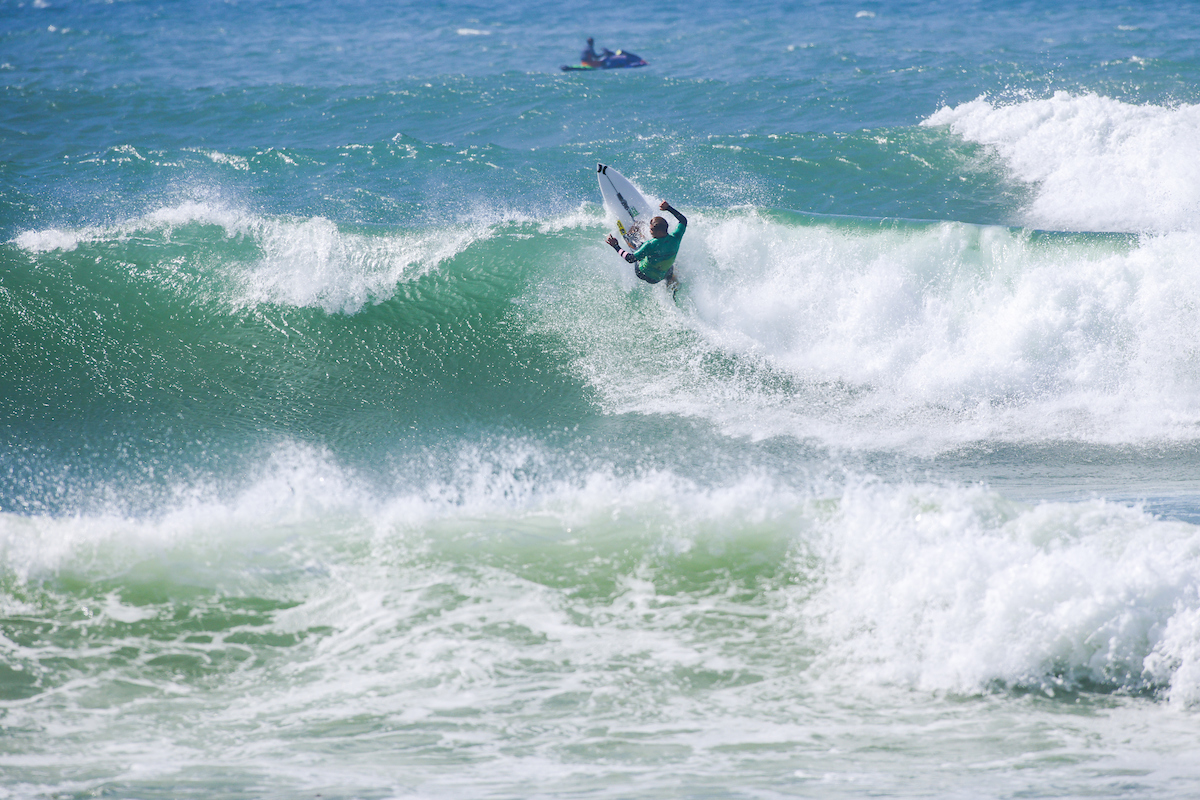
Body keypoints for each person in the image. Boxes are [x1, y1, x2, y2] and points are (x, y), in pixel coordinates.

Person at [605, 200, 687, 289]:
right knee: (670, 266)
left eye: (651, 229)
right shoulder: (676, 237)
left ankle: (632, 238)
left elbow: (630, 259)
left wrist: (616, 246)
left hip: (643, 274)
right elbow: (683, 220)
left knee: (639, 245)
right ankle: (670, 283)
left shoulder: (650, 244)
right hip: (660, 276)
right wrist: (668, 208)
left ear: (659, 232)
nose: (649, 231)